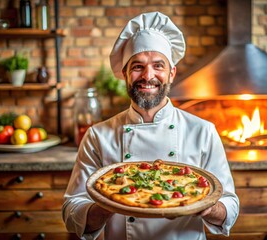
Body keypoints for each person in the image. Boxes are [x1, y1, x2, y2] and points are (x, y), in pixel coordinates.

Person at [62, 11, 239, 240]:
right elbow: (71, 212)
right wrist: (110, 201)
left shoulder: (203, 131)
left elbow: (230, 207)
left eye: (158, 65)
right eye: (137, 66)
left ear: (171, 73)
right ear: (125, 73)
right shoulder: (98, 135)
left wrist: (207, 206)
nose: (148, 76)